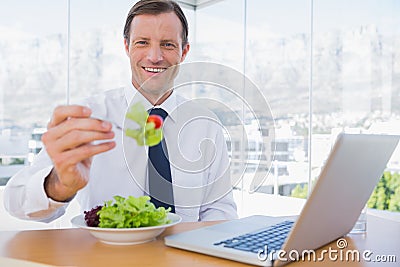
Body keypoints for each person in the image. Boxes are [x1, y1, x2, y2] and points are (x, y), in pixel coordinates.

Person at [3, 0, 237, 223]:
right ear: (126, 46)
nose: (154, 57)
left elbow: (220, 210)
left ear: (184, 51)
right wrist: (60, 185)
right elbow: (16, 201)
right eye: (142, 42)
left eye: (167, 44)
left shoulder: (205, 123)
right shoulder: (90, 116)